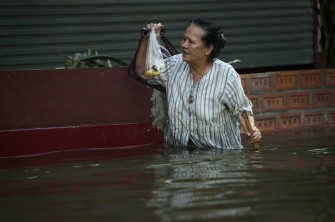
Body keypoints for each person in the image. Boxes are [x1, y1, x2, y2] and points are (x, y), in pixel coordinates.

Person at [135, 18, 262, 149]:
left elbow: (242, 110)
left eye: (191, 42)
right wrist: (147, 41)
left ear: (208, 49)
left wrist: (251, 131)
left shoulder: (226, 75)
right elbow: (142, 72)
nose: (184, 45)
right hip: (180, 157)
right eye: (184, 39)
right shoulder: (174, 65)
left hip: (220, 159)